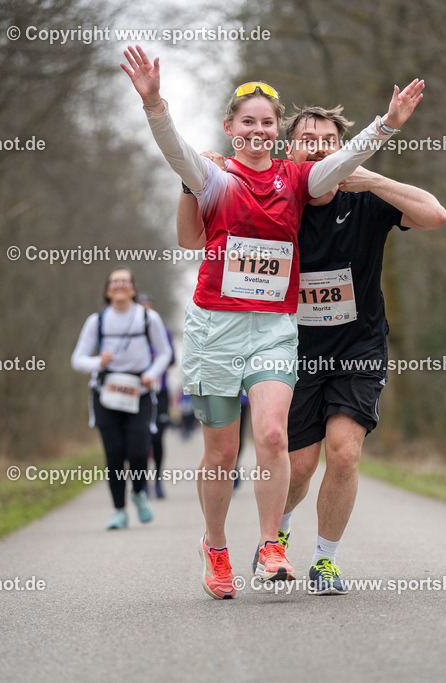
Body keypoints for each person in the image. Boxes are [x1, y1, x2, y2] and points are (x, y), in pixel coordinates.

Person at [121, 44, 424, 599]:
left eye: (267, 122)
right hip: (215, 328)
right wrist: (155, 103)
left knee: (271, 433)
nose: (258, 131)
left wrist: (385, 125)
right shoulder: (214, 179)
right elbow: (174, 152)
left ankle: (269, 546)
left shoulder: (296, 179)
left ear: (277, 129)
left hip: (273, 328)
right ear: (231, 127)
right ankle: (215, 548)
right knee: (219, 451)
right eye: (248, 123)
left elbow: (339, 163)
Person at [177, 105, 446, 595]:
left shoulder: (365, 199)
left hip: (357, 347)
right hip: (291, 347)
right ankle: (274, 535)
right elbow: (203, 239)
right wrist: (202, 178)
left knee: (344, 453)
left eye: (329, 141)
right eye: (308, 139)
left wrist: (372, 180)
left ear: (343, 150)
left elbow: (435, 214)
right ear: (289, 149)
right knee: (296, 465)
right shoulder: (282, 198)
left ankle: (324, 559)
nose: (319, 146)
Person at [71, 267, 172, 530]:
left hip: (139, 390)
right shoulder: (98, 320)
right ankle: (119, 510)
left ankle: (138, 492)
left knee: (139, 450)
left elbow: (165, 353)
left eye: (125, 281)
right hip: (106, 393)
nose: (120, 285)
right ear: (107, 290)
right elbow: (77, 359)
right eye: (114, 281)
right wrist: (98, 361)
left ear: (133, 289)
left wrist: (151, 374)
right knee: (114, 454)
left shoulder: (149, 318)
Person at [138, 293, 174, 499]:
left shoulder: (163, 331)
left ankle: (158, 481)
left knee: (158, 437)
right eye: (142, 307)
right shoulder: (131, 333)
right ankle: (142, 484)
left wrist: (155, 362)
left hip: (160, 392)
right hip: (139, 393)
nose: (146, 311)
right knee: (140, 438)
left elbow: (171, 358)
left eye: (149, 307)